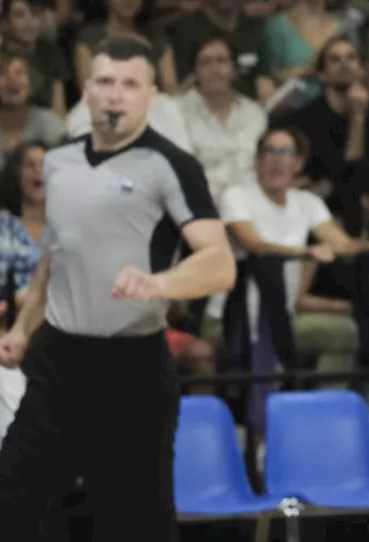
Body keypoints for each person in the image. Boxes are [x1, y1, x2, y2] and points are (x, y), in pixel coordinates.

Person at [0, 35, 235, 539]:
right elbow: (56, 254)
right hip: (58, 362)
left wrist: (159, 283)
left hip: (131, 369)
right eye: (105, 81)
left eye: (130, 84)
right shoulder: (58, 162)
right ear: (86, 90)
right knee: (13, 502)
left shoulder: (171, 164)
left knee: (133, 524)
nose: (115, 95)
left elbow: (219, 263)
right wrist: (23, 326)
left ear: (151, 95)